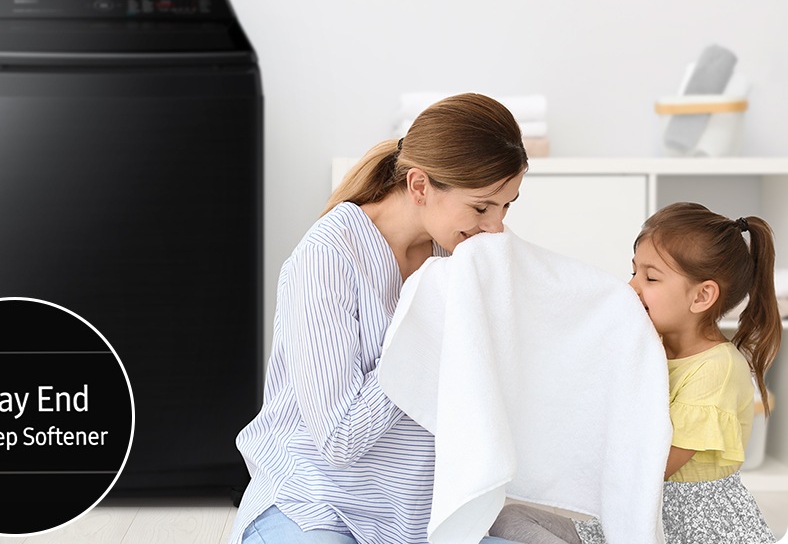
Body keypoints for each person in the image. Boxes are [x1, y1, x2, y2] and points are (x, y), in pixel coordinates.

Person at [228, 93, 529, 544]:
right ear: (420, 186)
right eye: (482, 207)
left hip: (418, 520)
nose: (496, 227)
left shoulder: (460, 252)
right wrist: (427, 325)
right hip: (314, 507)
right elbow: (338, 438)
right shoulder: (327, 257)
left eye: (507, 206)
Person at [489, 202, 781, 544]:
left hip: (690, 530)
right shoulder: (649, 347)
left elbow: (651, 468)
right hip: (638, 514)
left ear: (702, 296)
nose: (631, 287)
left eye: (651, 277)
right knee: (509, 518)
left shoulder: (717, 368)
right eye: (633, 272)